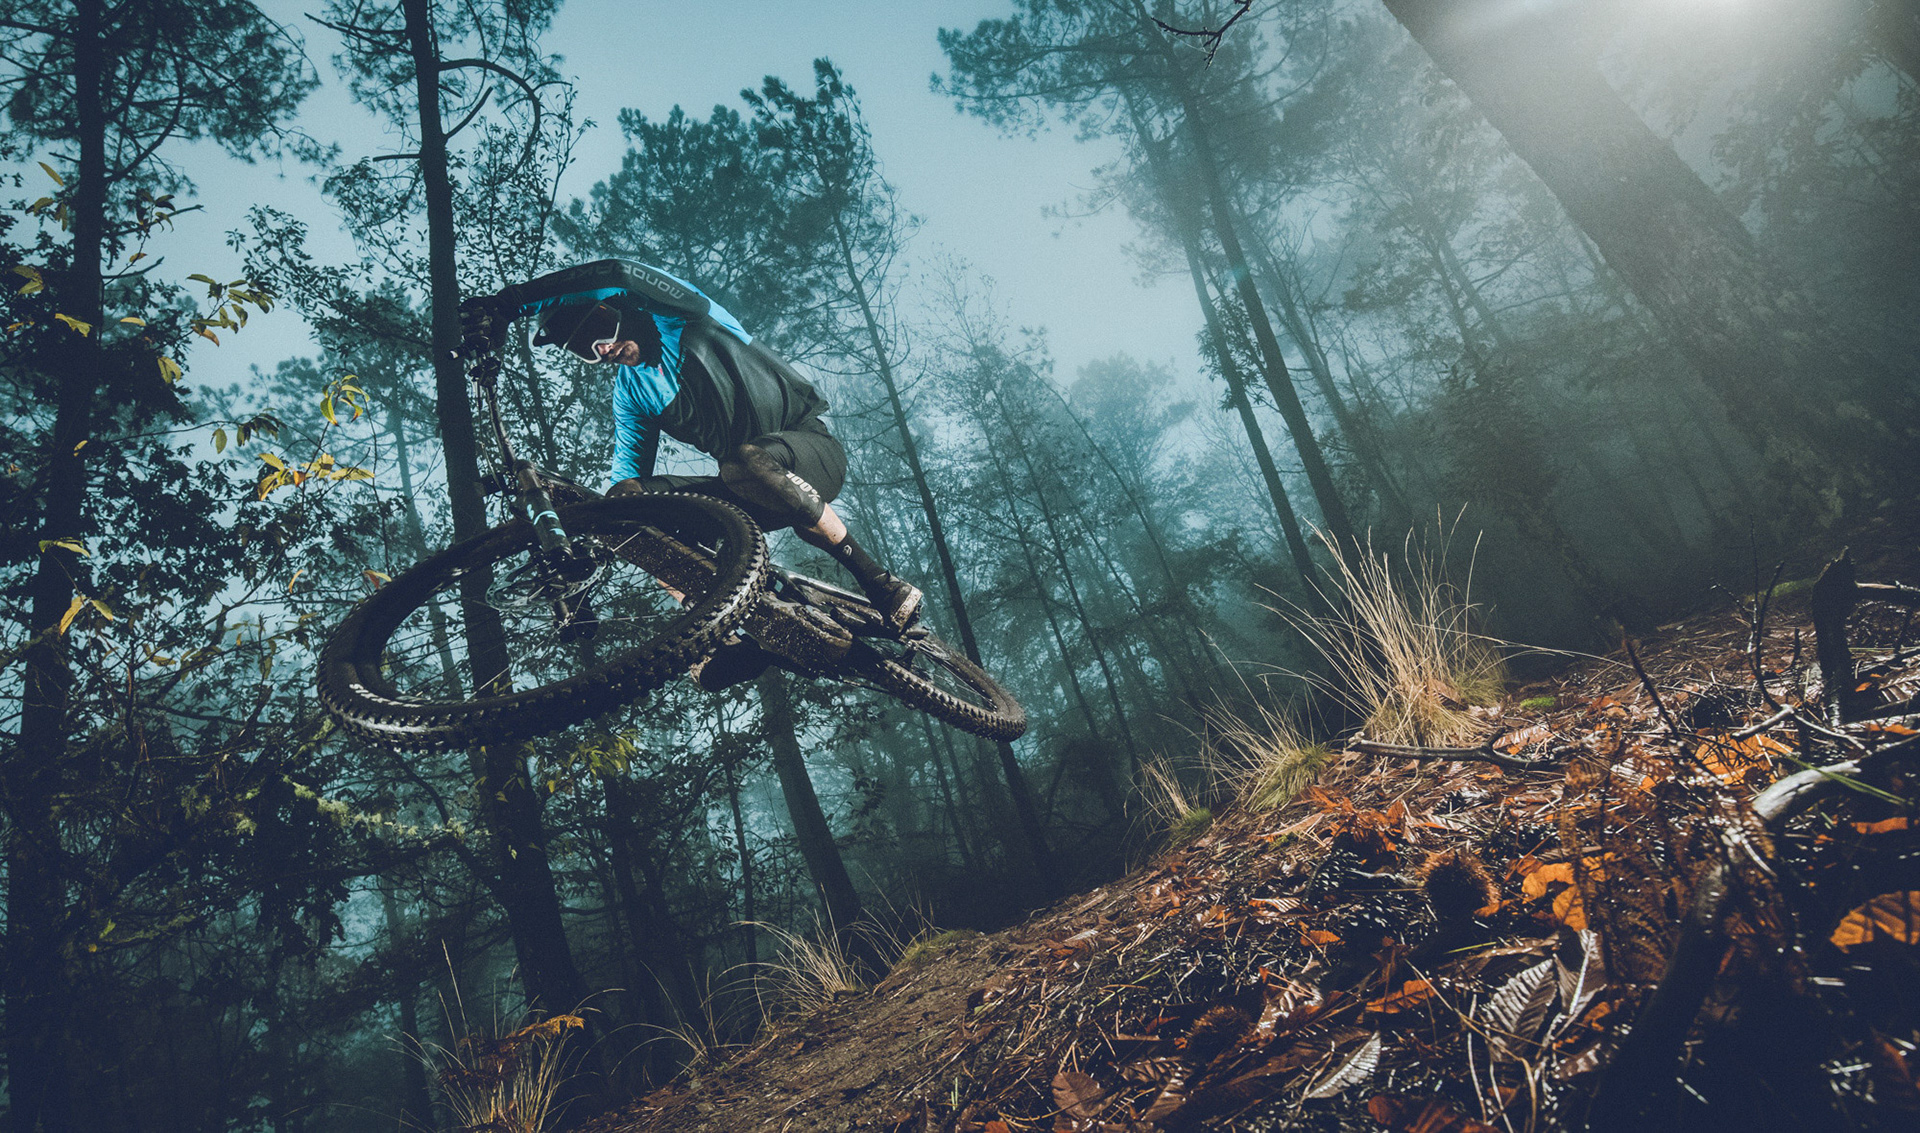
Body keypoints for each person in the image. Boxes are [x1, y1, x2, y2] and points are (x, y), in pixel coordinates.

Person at [459, 258, 921, 689]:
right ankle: (721, 636)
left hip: (809, 452)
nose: (603, 349)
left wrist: (510, 303)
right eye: (586, 351)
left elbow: (621, 271)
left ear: (617, 307)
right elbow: (624, 484)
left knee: (745, 461)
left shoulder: (686, 316)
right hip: (740, 488)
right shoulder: (632, 392)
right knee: (627, 506)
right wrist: (583, 552)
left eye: (598, 331)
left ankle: (880, 583)